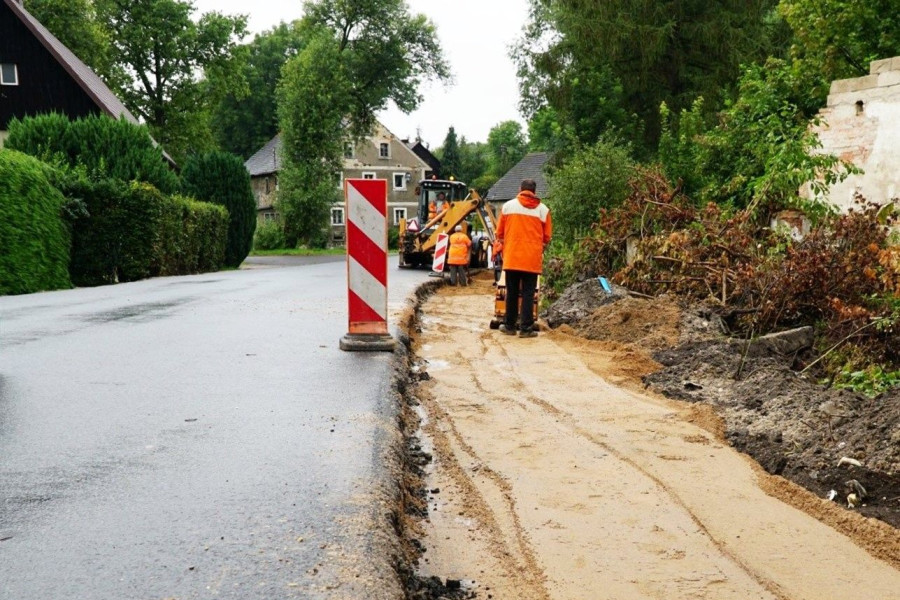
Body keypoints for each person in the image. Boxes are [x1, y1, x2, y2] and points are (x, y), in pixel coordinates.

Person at [495, 179, 552, 338]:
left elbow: (499, 233)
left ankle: (510, 326)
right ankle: (526, 329)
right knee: (528, 293)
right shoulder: (543, 210)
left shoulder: (508, 206)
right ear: (534, 191)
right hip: (531, 259)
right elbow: (547, 236)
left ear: (520, 189)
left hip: (512, 257)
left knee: (512, 292)